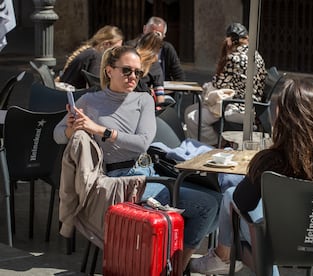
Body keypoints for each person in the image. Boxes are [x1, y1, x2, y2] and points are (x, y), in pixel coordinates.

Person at [53, 45, 221, 269]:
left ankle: (170, 258)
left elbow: (142, 142)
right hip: (118, 182)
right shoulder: (88, 102)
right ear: (109, 71)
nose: (133, 77)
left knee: (218, 198)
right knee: (207, 205)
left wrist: (99, 130)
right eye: (126, 70)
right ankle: (179, 267)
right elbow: (57, 135)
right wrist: (71, 130)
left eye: (137, 72)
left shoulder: (143, 99)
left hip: (148, 175)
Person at [190, 78, 313, 275]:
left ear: (282, 116)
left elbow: (242, 202)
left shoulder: (271, 160)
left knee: (232, 198)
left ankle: (223, 256)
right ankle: (225, 256)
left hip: (280, 245)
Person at [184, 22, 267, 146]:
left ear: (229, 40)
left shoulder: (234, 58)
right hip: (253, 107)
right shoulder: (256, 55)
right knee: (192, 110)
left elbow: (218, 84)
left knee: (192, 117)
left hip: (237, 107)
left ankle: (214, 145)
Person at [57, 25, 124, 89]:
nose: (117, 52)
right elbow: (96, 86)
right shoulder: (95, 57)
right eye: (116, 48)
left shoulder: (90, 53)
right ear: (106, 44)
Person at [127, 16, 185, 81]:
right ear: (144, 29)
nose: (153, 38)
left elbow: (178, 74)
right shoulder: (131, 47)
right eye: (150, 34)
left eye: (157, 35)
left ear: (163, 36)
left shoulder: (167, 48)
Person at [134, 32, 166, 105]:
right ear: (158, 49)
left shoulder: (129, 57)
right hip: (142, 103)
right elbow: (160, 97)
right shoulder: (154, 65)